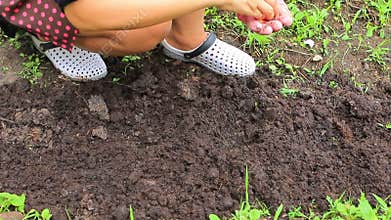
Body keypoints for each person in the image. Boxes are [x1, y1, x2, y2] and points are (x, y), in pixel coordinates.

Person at [0, 0, 292, 81]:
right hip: (52, 4)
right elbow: (82, 13)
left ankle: (186, 39)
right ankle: (45, 33)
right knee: (144, 31)